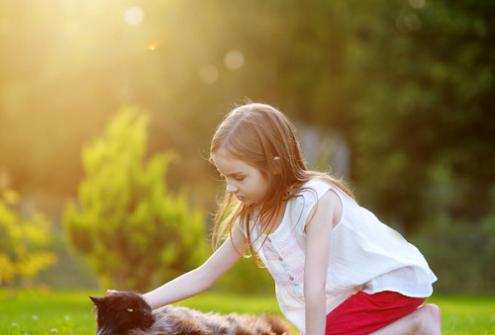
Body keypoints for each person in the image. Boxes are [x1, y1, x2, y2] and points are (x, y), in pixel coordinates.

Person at [107, 102, 441, 335]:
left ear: (276, 165)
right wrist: (139, 302)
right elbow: (206, 274)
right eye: (224, 176)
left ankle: (418, 325)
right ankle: (414, 327)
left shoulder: (314, 201)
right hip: (353, 297)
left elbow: (315, 285)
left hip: (385, 286)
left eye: (239, 177)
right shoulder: (252, 218)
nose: (230, 187)